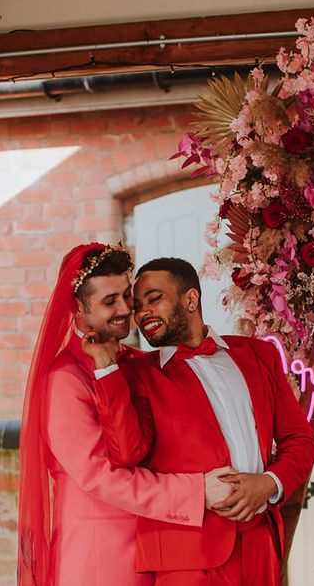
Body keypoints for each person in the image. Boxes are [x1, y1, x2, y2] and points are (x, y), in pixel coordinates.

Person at [92, 257, 314, 586]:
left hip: (260, 544)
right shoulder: (136, 374)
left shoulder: (259, 355)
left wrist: (269, 483)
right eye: (138, 306)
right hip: (185, 554)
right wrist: (105, 366)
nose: (143, 314)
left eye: (154, 299)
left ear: (191, 299)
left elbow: (300, 438)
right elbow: (126, 454)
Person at [17, 243, 232, 586]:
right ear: (78, 308)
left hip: (158, 552)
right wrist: (196, 492)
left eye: (125, 296)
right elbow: (101, 477)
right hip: (100, 561)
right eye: (108, 301)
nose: (125, 309)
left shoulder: (136, 361)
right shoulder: (65, 379)